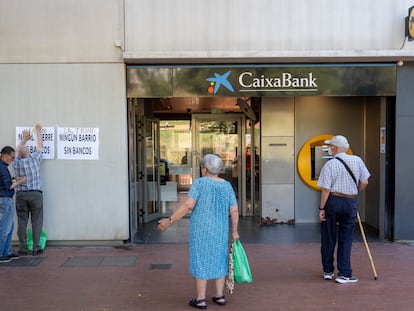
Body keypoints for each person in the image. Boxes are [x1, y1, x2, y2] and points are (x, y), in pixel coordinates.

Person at [158, 154, 239, 309]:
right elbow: (234, 210)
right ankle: (219, 296)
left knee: (201, 260)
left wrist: (170, 221)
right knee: (220, 259)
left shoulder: (199, 184)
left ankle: (201, 299)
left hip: (201, 230)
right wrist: (234, 231)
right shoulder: (227, 186)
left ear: (204, 169)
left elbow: (188, 206)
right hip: (220, 230)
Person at [317, 135, 370, 284]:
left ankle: (328, 271)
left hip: (333, 201)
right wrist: (354, 192)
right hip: (350, 201)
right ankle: (344, 273)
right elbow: (365, 181)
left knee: (328, 235)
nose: (329, 149)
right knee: (346, 238)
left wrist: (321, 208)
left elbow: (326, 190)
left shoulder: (330, 165)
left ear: (334, 148)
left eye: (330, 146)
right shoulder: (357, 160)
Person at [13, 124, 44, 256]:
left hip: (20, 195)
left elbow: (15, 152)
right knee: (36, 221)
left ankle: (22, 248)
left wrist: (23, 139)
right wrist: (38, 132)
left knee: (22, 221)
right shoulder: (34, 160)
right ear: (29, 153)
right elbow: (40, 147)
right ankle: (36, 248)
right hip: (36, 194)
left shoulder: (16, 163)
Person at [0, 146, 27, 263]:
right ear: (5, 155)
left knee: (9, 227)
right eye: (12, 157)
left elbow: (5, 182)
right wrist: (20, 182)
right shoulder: (2, 167)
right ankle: (1, 253)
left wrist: (13, 179)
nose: (12, 159)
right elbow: (8, 186)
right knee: (5, 228)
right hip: (5, 199)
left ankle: (7, 252)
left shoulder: (3, 167)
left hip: (5, 199)